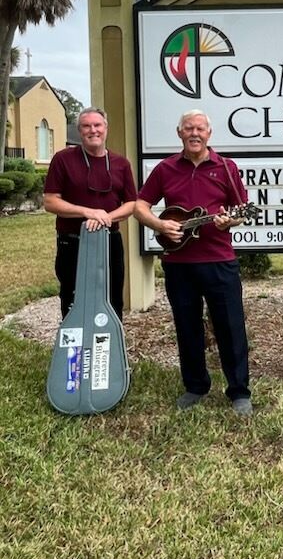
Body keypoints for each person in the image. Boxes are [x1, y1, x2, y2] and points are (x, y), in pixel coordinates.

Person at [134, 109, 252, 416]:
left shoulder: (226, 167)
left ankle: (239, 391)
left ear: (209, 134)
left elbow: (241, 210)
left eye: (200, 128)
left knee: (231, 327)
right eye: (188, 128)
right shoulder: (165, 168)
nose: (194, 133)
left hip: (219, 260)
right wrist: (159, 226)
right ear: (179, 133)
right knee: (187, 327)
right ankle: (195, 386)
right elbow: (140, 205)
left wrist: (229, 222)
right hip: (178, 262)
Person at [43, 107, 137, 320]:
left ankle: (110, 349)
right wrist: (87, 212)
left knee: (112, 298)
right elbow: (50, 201)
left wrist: (106, 218)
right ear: (79, 131)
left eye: (97, 125)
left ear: (106, 129)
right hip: (73, 242)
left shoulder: (121, 164)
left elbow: (131, 203)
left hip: (109, 241)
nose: (93, 130)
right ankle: (74, 352)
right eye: (86, 126)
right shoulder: (63, 159)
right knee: (72, 298)